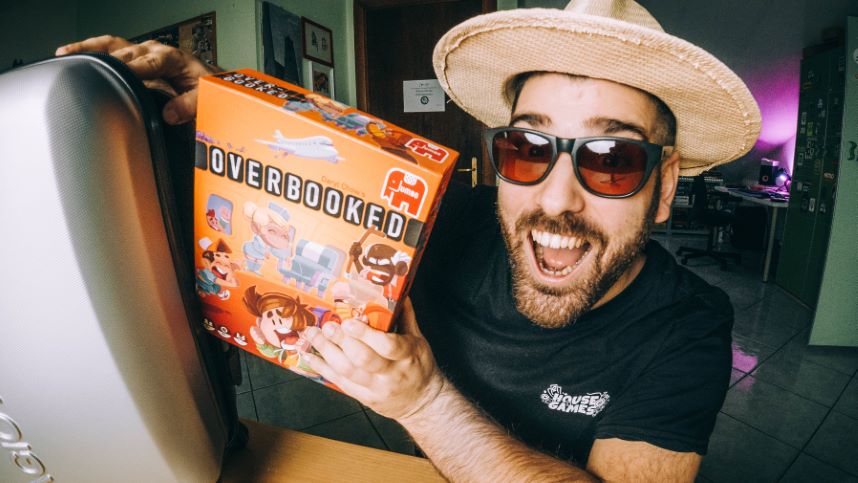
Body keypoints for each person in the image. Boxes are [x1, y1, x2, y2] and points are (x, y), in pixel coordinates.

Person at [56, 0, 760, 480]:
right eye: (527, 148)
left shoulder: (690, 326)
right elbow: (309, 180)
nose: (555, 200)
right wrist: (220, 106)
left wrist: (425, 403)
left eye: (613, 159)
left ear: (664, 185)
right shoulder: (445, 221)